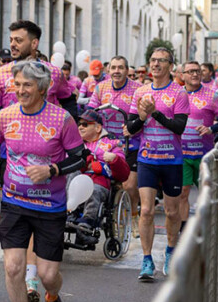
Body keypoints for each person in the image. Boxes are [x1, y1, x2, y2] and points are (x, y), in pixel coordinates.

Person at [0, 60, 86, 302]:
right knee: (13, 268)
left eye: (27, 85)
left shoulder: (62, 119)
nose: (20, 90)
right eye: (18, 84)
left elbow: (80, 158)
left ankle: (52, 298)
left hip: (50, 207)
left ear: (42, 88)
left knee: (49, 276)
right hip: (14, 203)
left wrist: (53, 170)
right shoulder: (4, 116)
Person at [0, 19, 72, 302]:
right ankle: (28, 283)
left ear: (34, 44)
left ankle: (36, 278)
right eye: (11, 39)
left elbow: (69, 102)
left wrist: (72, 130)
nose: (12, 44)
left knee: (38, 216)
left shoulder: (54, 74)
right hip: (13, 160)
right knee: (18, 230)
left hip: (48, 157)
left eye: (18, 40)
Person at [126, 47, 189, 281]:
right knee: (147, 211)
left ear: (170, 66)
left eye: (161, 61)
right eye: (152, 60)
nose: (155, 64)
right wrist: (142, 117)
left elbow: (179, 128)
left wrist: (154, 114)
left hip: (172, 160)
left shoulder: (179, 93)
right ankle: (146, 259)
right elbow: (131, 128)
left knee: (172, 212)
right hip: (147, 160)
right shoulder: (141, 92)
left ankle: (171, 252)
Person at [86, 55, 141, 232]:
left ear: (127, 71)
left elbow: (142, 117)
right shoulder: (100, 88)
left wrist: (132, 127)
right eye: (113, 68)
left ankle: (133, 215)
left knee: (129, 185)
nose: (117, 71)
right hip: (105, 143)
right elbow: (91, 112)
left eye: (121, 68)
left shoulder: (137, 89)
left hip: (130, 143)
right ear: (108, 71)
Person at [179, 61, 218, 234]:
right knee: (183, 193)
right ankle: (183, 229)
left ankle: (207, 228)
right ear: (182, 75)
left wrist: (211, 129)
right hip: (182, 154)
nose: (194, 74)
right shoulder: (176, 95)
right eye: (190, 71)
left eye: (197, 71)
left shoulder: (212, 95)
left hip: (204, 155)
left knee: (205, 194)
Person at [73, 109, 129, 243]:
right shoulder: (76, 144)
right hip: (77, 181)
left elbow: (124, 174)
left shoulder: (112, 144)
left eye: (85, 124)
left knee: (94, 191)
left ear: (98, 127)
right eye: (79, 124)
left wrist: (115, 159)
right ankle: (68, 214)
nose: (80, 127)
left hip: (98, 182)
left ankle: (86, 224)